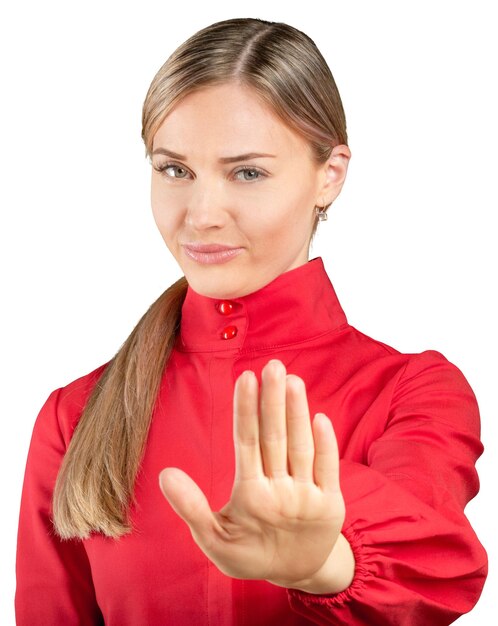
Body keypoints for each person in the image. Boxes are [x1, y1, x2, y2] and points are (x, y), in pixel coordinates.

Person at [15, 17, 487, 626]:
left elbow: (435, 561)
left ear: (330, 175)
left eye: (248, 172)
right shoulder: (74, 416)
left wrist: (323, 567)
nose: (202, 214)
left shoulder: (412, 392)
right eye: (174, 170)